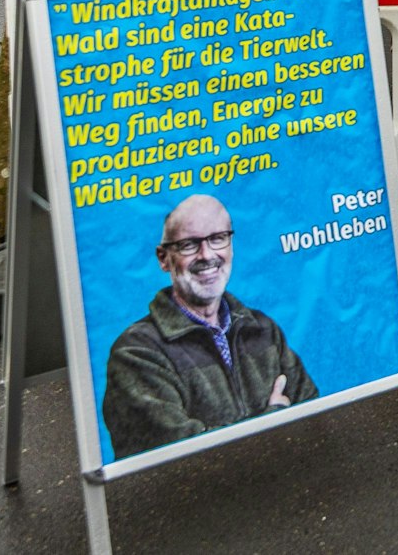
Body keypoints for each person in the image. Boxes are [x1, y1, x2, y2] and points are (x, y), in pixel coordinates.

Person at [103, 196, 318, 459]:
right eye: (189, 244)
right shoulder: (136, 352)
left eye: (218, 238)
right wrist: (272, 418)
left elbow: (312, 417)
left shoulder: (262, 329)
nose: (206, 255)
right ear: (163, 258)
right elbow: (174, 455)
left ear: (231, 246)